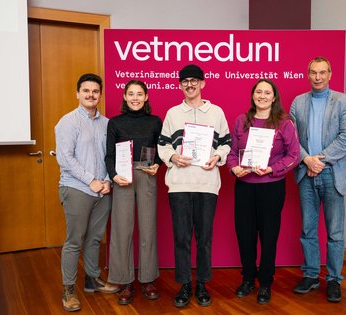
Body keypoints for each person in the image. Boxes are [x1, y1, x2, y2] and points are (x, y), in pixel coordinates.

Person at [157, 64, 231, 308]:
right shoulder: (172, 113)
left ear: (203, 83)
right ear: (180, 85)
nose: (190, 85)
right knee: (181, 237)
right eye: (185, 81)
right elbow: (162, 146)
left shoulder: (217, 112)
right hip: (179, 184)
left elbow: (226, 144)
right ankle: (184, 285)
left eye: (194, 80)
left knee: (204, 238)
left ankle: (201, 283)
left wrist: (217, 157)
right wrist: (173, 157)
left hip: (207, 184)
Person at [226, 79, 300, 304]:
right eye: (259, 92)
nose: (262, 96)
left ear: (274, 97)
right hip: (245, 186)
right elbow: (231, 152)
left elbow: (294, 155)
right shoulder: (242, 120)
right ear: (253, 95)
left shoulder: (285, 123)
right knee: (245, 234)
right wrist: (234, 167)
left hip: (271, 186)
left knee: (268, 236)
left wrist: (271, 169)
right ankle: (248, 278)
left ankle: (266, 282)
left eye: (267, 92)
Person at [289, 56, 346, 303]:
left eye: (322, 72)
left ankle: (334, 279)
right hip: (306, 173)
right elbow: (292, 138)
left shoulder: (344, 102)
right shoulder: (298, 102)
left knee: (335, 231)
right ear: (308, 75)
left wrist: (321, 161)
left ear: (330, 74)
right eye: (313, 73)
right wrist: (308, 161)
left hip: (332, 172)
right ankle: (311, 275)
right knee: (308, 228)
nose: (317, 77)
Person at [55, 73, 119, 312]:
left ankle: (92, 279)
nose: (91, 95)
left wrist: (105, 181)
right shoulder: (68, 122)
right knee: (74, 241)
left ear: (100, 94)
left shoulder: (107, 123)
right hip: (77, 188)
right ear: (78, 93)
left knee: (94, 238)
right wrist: (91, 180)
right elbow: (65, 158)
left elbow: (109, 156)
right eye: (86, 91)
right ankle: (68, 289)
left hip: (103, 188)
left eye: (95, 91)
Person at [105, 80, 163, 305]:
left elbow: (160, 150)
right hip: (123, 177)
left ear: (146, 97)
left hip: (147, 175)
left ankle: (147, 279)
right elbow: (109, 155)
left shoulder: (155, 121)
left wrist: (157, 163)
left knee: (148, 228)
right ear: (125, 96)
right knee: (122, 229)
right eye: (131, 94)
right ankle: (125, 280)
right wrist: (113, 175)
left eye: (140, 94)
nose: (135, 98)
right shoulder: (115, 123)